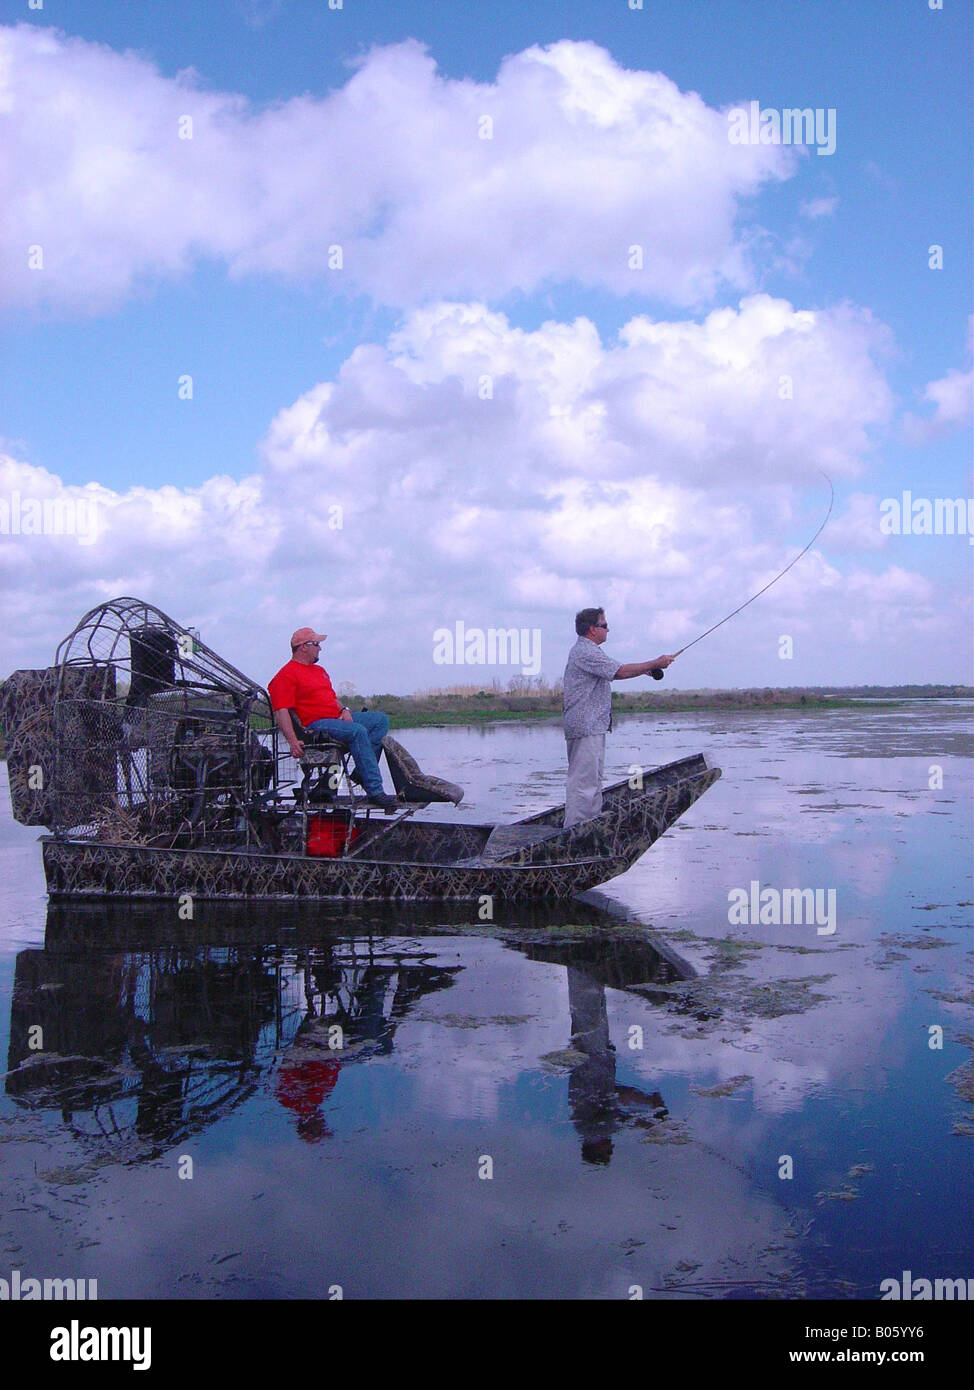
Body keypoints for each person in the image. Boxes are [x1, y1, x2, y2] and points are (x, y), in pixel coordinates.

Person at [562, 608, 676, 828]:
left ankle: (588, 827)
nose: (608, 629)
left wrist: (646, 670)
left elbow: (617, 670)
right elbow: (620, 672)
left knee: (592, 782)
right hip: (586, 726)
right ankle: (574, 833)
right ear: (592, 629)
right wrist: (654, 663)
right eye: (604, 625)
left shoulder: (591, 651)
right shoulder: (585, 651)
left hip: (593, 726)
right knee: (583, 784)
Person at [268, 627, 398, 812]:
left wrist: (343, 709)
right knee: (358, 732)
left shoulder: (319, 670)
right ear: (303, 647)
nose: (320, 648)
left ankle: (361, 773)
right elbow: (281, 711)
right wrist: (292, 741)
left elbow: (330, 697)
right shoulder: (286, 675)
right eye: (317, 644)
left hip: (336, 718)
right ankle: (375, 791)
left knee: (380, 720)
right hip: (314, 726)